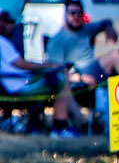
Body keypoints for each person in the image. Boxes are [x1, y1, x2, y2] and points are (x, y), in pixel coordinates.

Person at [0, 9, 85, 137]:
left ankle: (74, 120)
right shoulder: (1, 42)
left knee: (59, 75)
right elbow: (22, 65)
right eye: (8, 21)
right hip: (19, 87)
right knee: (61, 78)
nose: (12, 25)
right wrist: (48, 65)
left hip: (17, 83)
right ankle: (60, 127)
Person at [46, 0, 119, 87]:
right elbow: (54, 72)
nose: (76, 16)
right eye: (72, 13)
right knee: (114, 56)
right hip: (77, 74)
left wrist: (109, 28)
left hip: (92, 68)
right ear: (65, 14)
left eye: (79, 13)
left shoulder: (85, 29)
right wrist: (78, 77)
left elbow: (106, 22)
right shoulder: (58, 41)